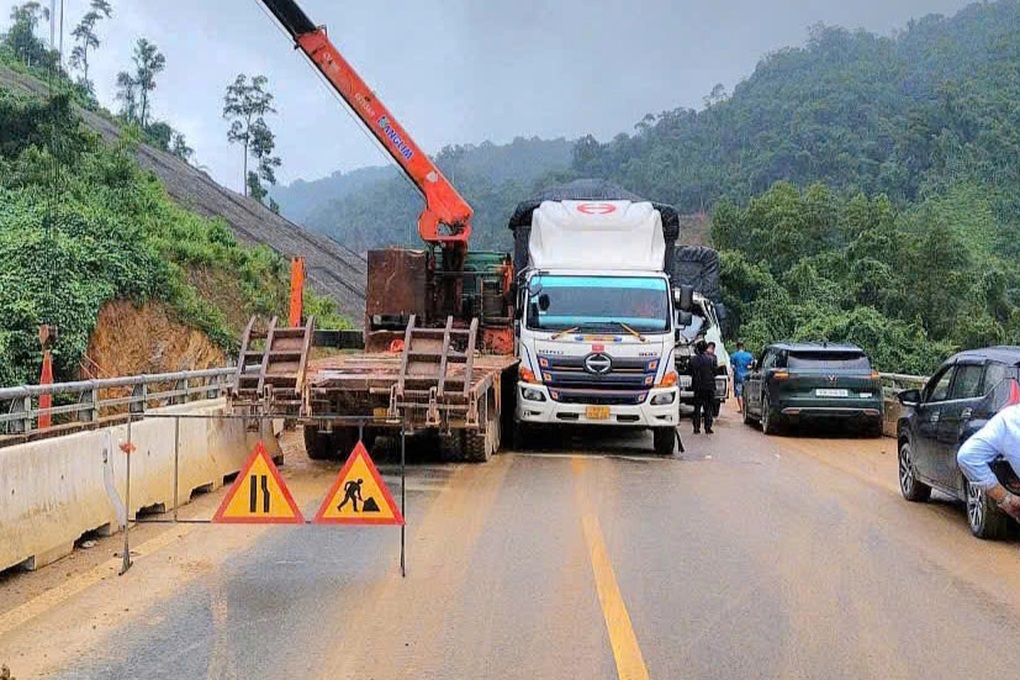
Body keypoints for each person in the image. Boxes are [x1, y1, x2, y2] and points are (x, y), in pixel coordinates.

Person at [957, 406, 1020, 522]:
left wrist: (1005, 498)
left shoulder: (1008, 419)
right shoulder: (1008, 420)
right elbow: (968, 457)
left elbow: (968, 457)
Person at [690, 340, 718, 435]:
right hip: (709, 386)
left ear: (697, 349)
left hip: (698, 387)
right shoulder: (712, 359)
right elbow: (715, 372)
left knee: (697, 408)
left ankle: (696, 428)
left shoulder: (693, 360)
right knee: (709, 407)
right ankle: (708, 427)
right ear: (706, 348)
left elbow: (689, 371)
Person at [730, 342, 754, 414]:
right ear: (743, 347)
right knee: (747, 393)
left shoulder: (733, 356)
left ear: (737, 347)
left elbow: (732, 366)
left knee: (739, 393)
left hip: (738, 376)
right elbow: (752, 365)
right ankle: (747, 408)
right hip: (747, 376)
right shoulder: (749, 355)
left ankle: (741, 409)